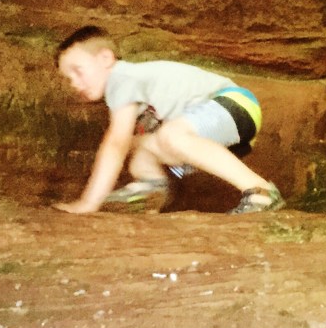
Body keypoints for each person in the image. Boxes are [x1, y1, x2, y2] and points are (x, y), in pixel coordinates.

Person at [53, 25, 284, 215]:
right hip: (224, 131)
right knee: (138, 144)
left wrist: (89, 202)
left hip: (235, 105)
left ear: (105, 58)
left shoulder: (120, 78)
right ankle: (151, 186)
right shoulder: (129, 92)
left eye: (78, 70)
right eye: (69, 78)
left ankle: (261, 191)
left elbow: (115, 144)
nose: (75, 83)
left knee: (167, 136)